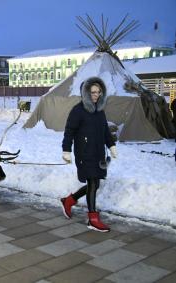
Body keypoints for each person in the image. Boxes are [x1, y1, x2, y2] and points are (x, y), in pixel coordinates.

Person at [60, 77, 117, 233]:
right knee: (92, 182)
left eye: (98, 92)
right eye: (93, 92)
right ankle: (93, 218)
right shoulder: (78, 111)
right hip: (84, 153)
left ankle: (69, 200)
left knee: (96, 184)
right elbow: (69, 131)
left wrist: (111, 145)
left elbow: (105, 130)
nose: (96, 95)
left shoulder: (100, 110)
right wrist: (66, 150)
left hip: (98, 153)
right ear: (85, 93)